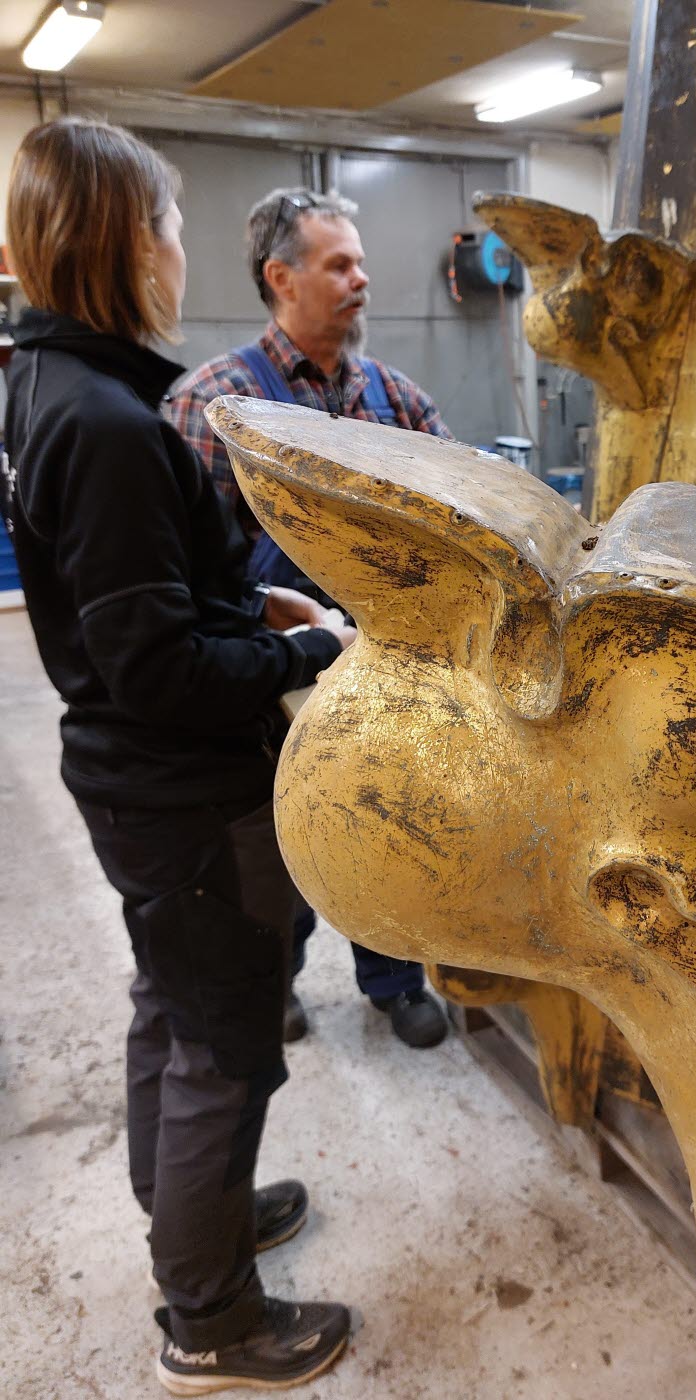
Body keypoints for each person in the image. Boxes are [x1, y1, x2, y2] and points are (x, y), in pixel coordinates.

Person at [2, 118, 352, 1394]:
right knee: (224, 1043)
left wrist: (253, 604)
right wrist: (305, 652)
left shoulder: (52, 383)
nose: (175, 244)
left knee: (172, 1002)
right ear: (122, 239)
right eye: (166, 221)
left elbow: (134, 597)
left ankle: (188, 1213)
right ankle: (210, 1319)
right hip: (187, 792)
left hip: (130, 780)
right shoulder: (103, 421)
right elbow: (157, 667)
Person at [169, 187, 450, 1051]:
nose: (362, 279)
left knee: (386, 829)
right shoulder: (210, 408)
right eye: (340, 265)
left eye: (360, 263)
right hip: (271, 681)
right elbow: (190, 577)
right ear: (281, 278)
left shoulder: (396, 400)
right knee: (281, 833)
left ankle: (394, 980)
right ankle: (278, 975)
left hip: (388, 676)